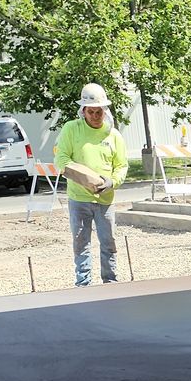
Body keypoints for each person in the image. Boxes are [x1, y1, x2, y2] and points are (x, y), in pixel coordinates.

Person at [53, 83, 129, 286]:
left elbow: (121, 165)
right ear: (83, 111)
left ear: (105, 111)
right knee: (81, 243)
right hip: (79, 199)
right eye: (91, 111)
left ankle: (110, 281)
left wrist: (112, 181)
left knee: (108, 242)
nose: (95, 115)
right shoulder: (72, 129)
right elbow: (61, 158)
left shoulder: (113, 135)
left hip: (105, 199)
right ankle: (83, 283)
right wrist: (79, 176)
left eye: (99, 111)